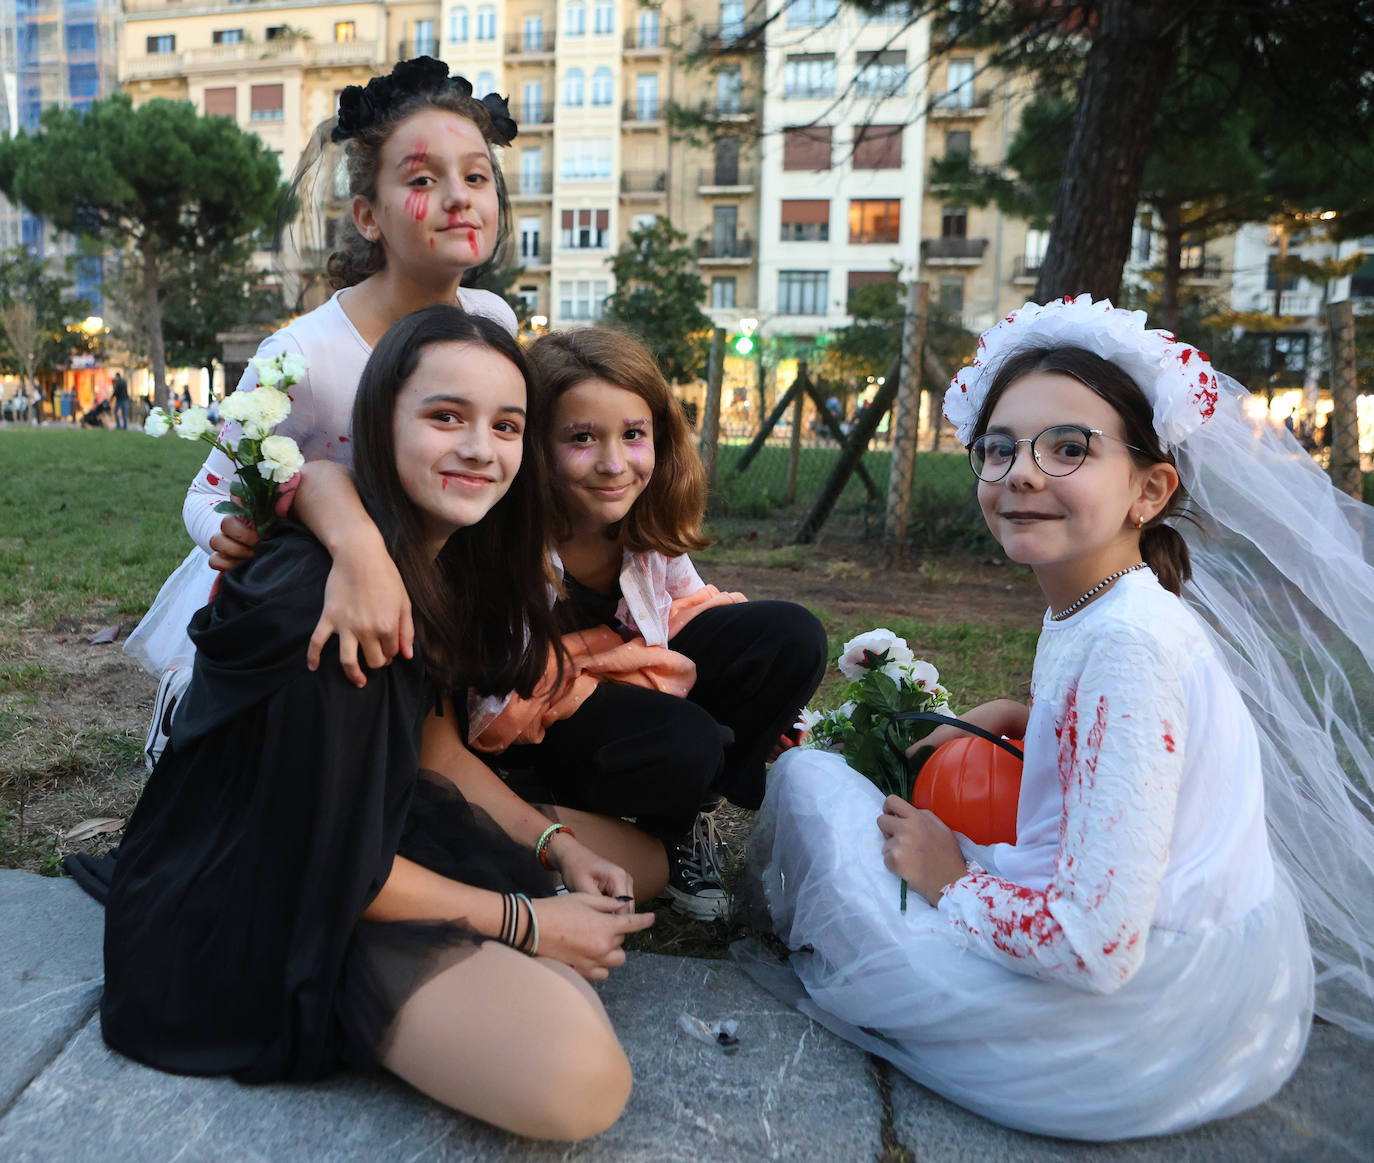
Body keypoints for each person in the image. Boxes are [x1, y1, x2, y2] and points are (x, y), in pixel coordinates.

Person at [747, 296, 1374, 1140]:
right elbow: (1111, 737)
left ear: (1149, 489)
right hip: (1206, 981)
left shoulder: (1129, 648)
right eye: (998, 448)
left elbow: (1096, 947)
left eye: (1069, 448)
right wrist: (1019, 713)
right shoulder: (1104, 603)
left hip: (1125, 1032)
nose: (1022, 474)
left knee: (809, 779)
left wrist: (951, 878)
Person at [102, 305, 653, 1141]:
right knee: (582, 1081)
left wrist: (555, 846)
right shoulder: (322, 600)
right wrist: (527, 921)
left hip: (367, 821)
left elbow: (432, 744)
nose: (480, 448)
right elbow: (320, 857)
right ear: (377, 423)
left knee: (632, 864)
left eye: (506, 425)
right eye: (445, 416)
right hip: (266, 896)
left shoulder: (435, 556)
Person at [124, 56, 521, 758]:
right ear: (368, 215)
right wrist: (224, 531)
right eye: (424, 179)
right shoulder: (303, 355)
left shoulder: (492, 320)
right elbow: (208, 488)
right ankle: (192, 706)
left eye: (477, 176)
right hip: (309, 593)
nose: (459, 198)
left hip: (431, 578)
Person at [475, 328, 828, 919]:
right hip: (535, 724)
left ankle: (678, 826)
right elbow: (495, 700)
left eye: (633, 435)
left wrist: (765, 696)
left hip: (621, 688)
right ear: (535, 446)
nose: (615, 464)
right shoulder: (506, 544)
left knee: (789, 637)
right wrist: (636, 685)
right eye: (582, 438)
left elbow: (692, 610)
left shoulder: (642, 526)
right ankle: (555, 811)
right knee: (688, 742)